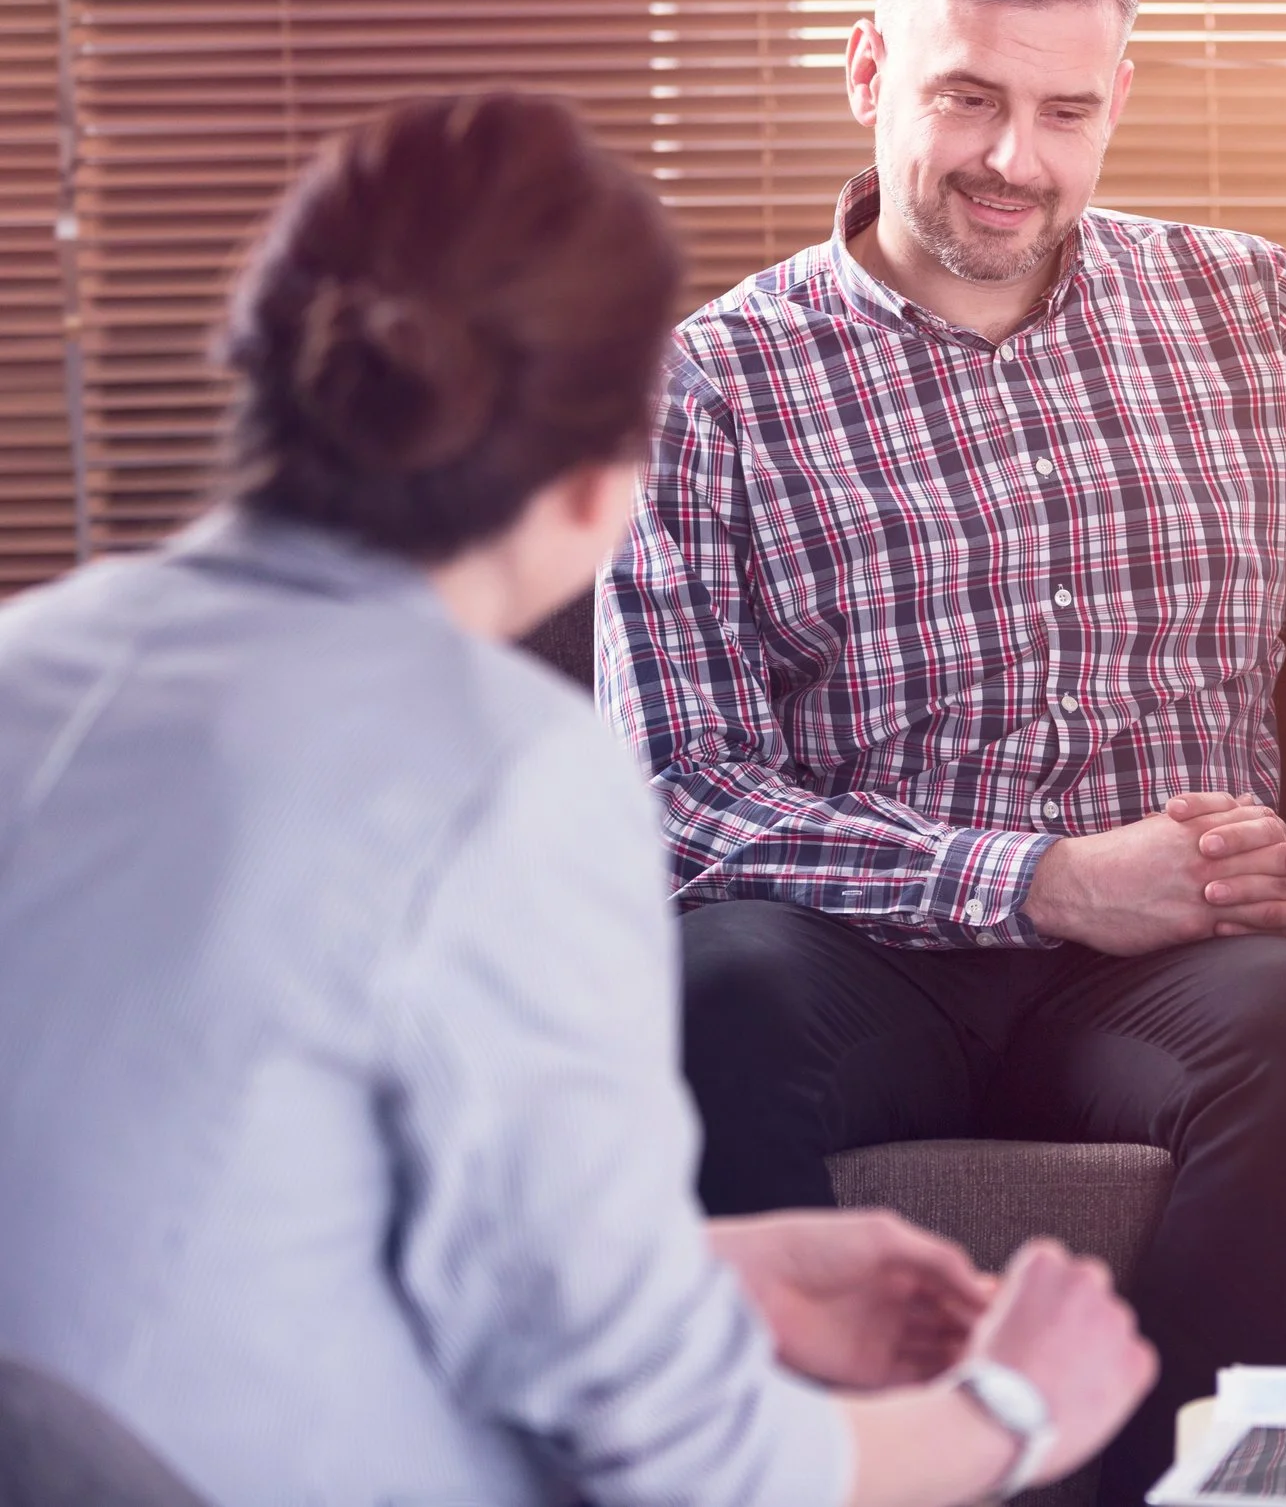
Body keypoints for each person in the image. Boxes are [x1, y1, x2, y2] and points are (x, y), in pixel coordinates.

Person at [0, 92, 1154, 1507]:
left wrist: (703, 1275)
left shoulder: (31, 663)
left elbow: (230, 1207)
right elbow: (693, 1463)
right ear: (617, 470)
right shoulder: (509, 777)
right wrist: (1015, 1406)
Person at [595, 0, 1286, 1501]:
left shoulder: (1250, 313)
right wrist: (1048, 881)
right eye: (967, 97)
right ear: (868, 71)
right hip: (859, 952)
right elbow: (679, 797)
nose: (1014, 158)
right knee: (707, 990)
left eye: (1066, 109)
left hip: (1180, 971)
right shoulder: (709, 385)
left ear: (1119, 95)